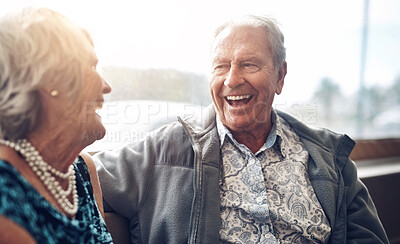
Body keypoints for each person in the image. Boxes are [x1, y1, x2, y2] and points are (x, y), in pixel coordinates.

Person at [94, 15, 388, 243]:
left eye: (248, 64)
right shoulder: (164, 150)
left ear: (280, 76)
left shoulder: (329, 159)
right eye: (221, 66)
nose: (232, 80)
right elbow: (74, 173)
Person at [0, 7, 113, 243]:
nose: (107, 86)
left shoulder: (82, 169)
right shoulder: (6, 190)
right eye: (92, 67)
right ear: (51, 80)